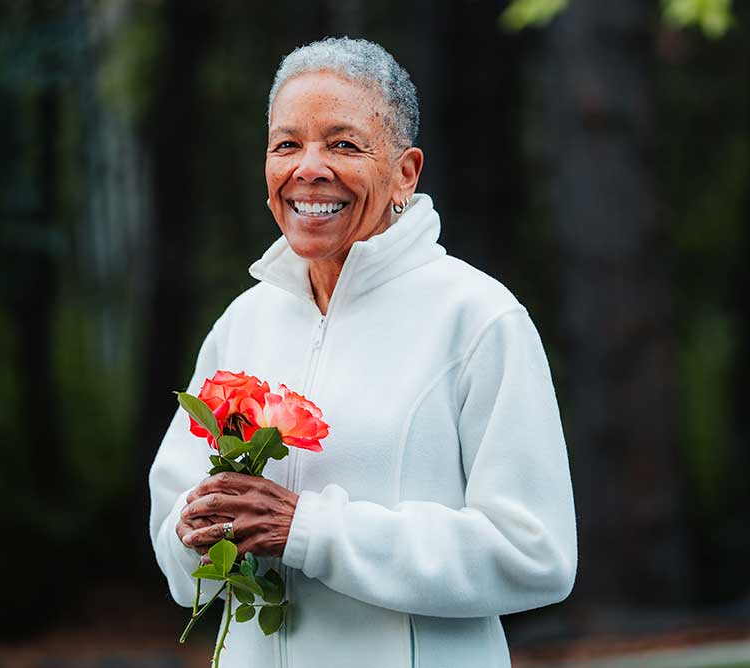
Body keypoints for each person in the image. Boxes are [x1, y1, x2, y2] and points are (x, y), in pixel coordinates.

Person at [148, 37, 577, 668]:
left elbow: (536, 555)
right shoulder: (243, 323)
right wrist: (197, 535)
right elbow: (185, 572)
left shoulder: (478, 318)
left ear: (405, 173)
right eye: (287, 144)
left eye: (343, 144)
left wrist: (311, 532)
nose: (308, 168)